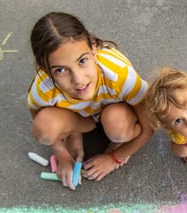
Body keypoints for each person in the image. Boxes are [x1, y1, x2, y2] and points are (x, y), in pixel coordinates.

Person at [27, 12, 152, 190]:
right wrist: (60, 153)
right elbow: (38, 119)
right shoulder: (43, 88)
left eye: (83, 61)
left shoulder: (120, 76)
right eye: (61, 70)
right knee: (44, 128)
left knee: (117, 125)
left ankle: (116, 140)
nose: (78, 79)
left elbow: (148, 128)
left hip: (115, 111)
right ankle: (75, 132)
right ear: (44, 70)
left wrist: (115, 157)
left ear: (93, 50)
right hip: (81, 117)